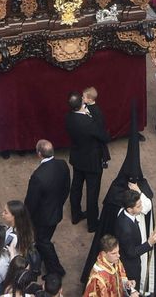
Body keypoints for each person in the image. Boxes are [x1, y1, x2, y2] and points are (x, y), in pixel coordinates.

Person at [67, 87, 110, 233]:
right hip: (92, 161)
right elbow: (104, 136)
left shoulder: (69, 117)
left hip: (77, 158)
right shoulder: (88, 122)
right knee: (92, 192)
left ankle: (75, 215)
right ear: (81, 104)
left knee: (76, 186)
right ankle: (92, 224)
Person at [25, 139, 70, 277]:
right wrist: (59, 204)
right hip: (56, 211)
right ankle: (38, 262)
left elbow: (31, 202)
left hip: (43, 217)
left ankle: (56, 269)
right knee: (43, 240)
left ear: (39, 154)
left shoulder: (38, 176)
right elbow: (66, 188)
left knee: (43, 241)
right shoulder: (62, 164)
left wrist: (25, 217)